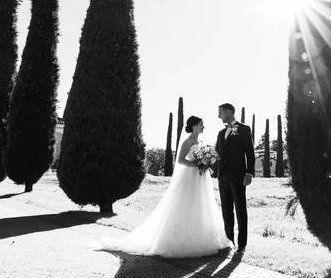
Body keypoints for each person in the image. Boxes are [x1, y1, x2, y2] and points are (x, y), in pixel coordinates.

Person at [95, 116, 230, 257]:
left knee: (202, 204)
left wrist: (206, 163)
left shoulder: (201, 141)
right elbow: (181, 160)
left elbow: (204, 158)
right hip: (190, 177)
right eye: (201, 124)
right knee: (187, 205)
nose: (203, 127)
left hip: (201, 178)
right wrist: (197, 164)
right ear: (194, 126)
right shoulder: (187, 141)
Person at [213, 103, 255, 250]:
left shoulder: (244, 129)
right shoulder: (220, 133)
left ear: (229, 112)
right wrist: (205, 162)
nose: (219, 116)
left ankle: (242, 243)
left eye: (221, 113)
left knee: (240, 209)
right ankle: (229, 240)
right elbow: (217, 154)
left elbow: (250, 153)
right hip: (222, 176)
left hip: (238, 176)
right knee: (226, 210)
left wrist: (249, 173)